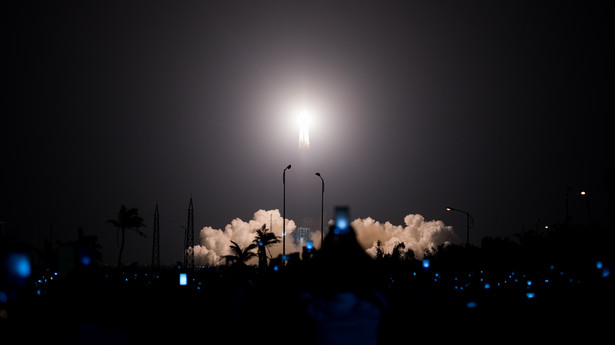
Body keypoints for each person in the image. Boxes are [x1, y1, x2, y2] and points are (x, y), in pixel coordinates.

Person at [298, 222, 387, 345]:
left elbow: (303, 282)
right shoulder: (370, 311)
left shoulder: (315, 313)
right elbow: (378, 278)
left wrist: (322, 249)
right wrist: (354, 243)